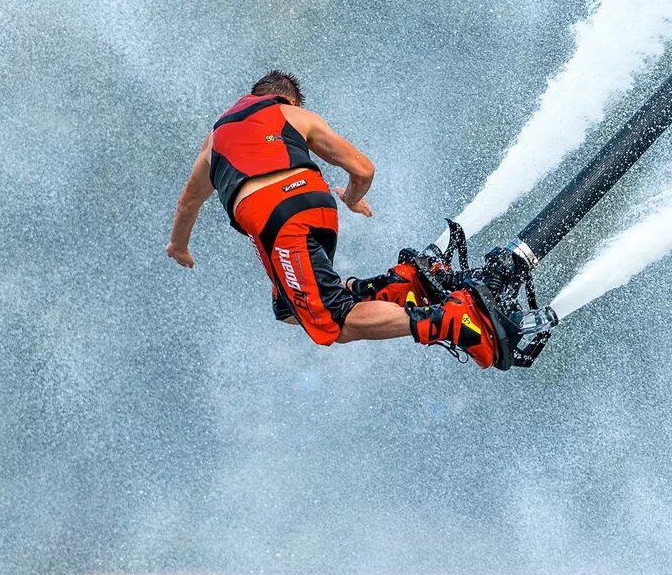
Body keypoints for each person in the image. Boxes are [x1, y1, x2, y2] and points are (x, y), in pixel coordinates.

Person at [164, 70, 503, 368]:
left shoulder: (216, 140)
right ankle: (388, 286)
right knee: (288, 307)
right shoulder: (297, 117)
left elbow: (186, 204)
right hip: (318, 206)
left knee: (334, 322)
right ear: (289, 100)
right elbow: (363, 169)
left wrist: (179, 246)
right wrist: (352, 199)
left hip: (277, 220)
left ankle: (450, 321)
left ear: (255, 95)